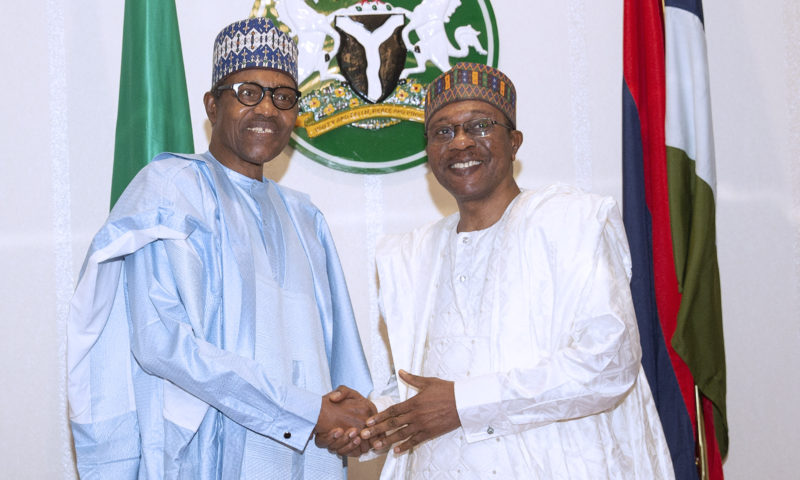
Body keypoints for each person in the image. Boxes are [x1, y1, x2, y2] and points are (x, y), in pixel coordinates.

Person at [67, 17, 374, 479]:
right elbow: (162, 343)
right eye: (248, 92)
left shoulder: (304, 215)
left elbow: (340, 350)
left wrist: (354, 422)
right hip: (209, 453)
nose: (267, 109)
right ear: (213, 104)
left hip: (309, 454)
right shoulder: (169, 191)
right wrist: (307, 411)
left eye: (283, 96)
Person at [341, 62, 676, 478]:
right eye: (443, 131)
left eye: (480, 126)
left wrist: (464, 403)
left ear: (514, 142)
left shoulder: (569, 221)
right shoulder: (411, 254)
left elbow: (608, 362)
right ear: (428, 152)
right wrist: (370, 421)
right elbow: (420, 387)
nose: (461, 142)